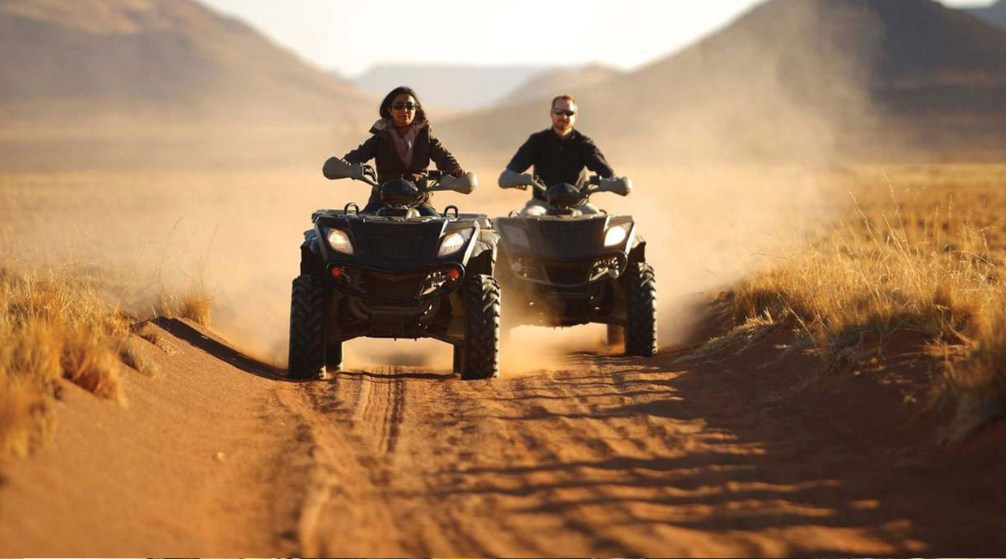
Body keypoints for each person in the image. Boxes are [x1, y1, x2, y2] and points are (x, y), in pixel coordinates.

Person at [324, 86, 464, 216]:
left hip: (419, 200)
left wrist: (455, 169)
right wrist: (345, 163)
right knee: (358, 230)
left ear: (416, 110)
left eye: (410, 106)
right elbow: (360, 153)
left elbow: (443, 155)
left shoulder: (425, 137)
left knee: (437, 232)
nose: (405, 110)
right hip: (382, 198)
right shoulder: (381, 136)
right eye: (398, 106)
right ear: (390, 110)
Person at [502, 94, 615, 216]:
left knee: (596, 219)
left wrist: (614, 182)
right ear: (551, 114)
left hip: (579, 205)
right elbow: (513, 169)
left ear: (576, 115)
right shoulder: (537, 141)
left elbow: (605, 171)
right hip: (542, 203)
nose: (564, 116)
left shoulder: (583, 143)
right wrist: (512, 177)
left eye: (569, 113)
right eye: (559, 112)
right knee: (528, 216)